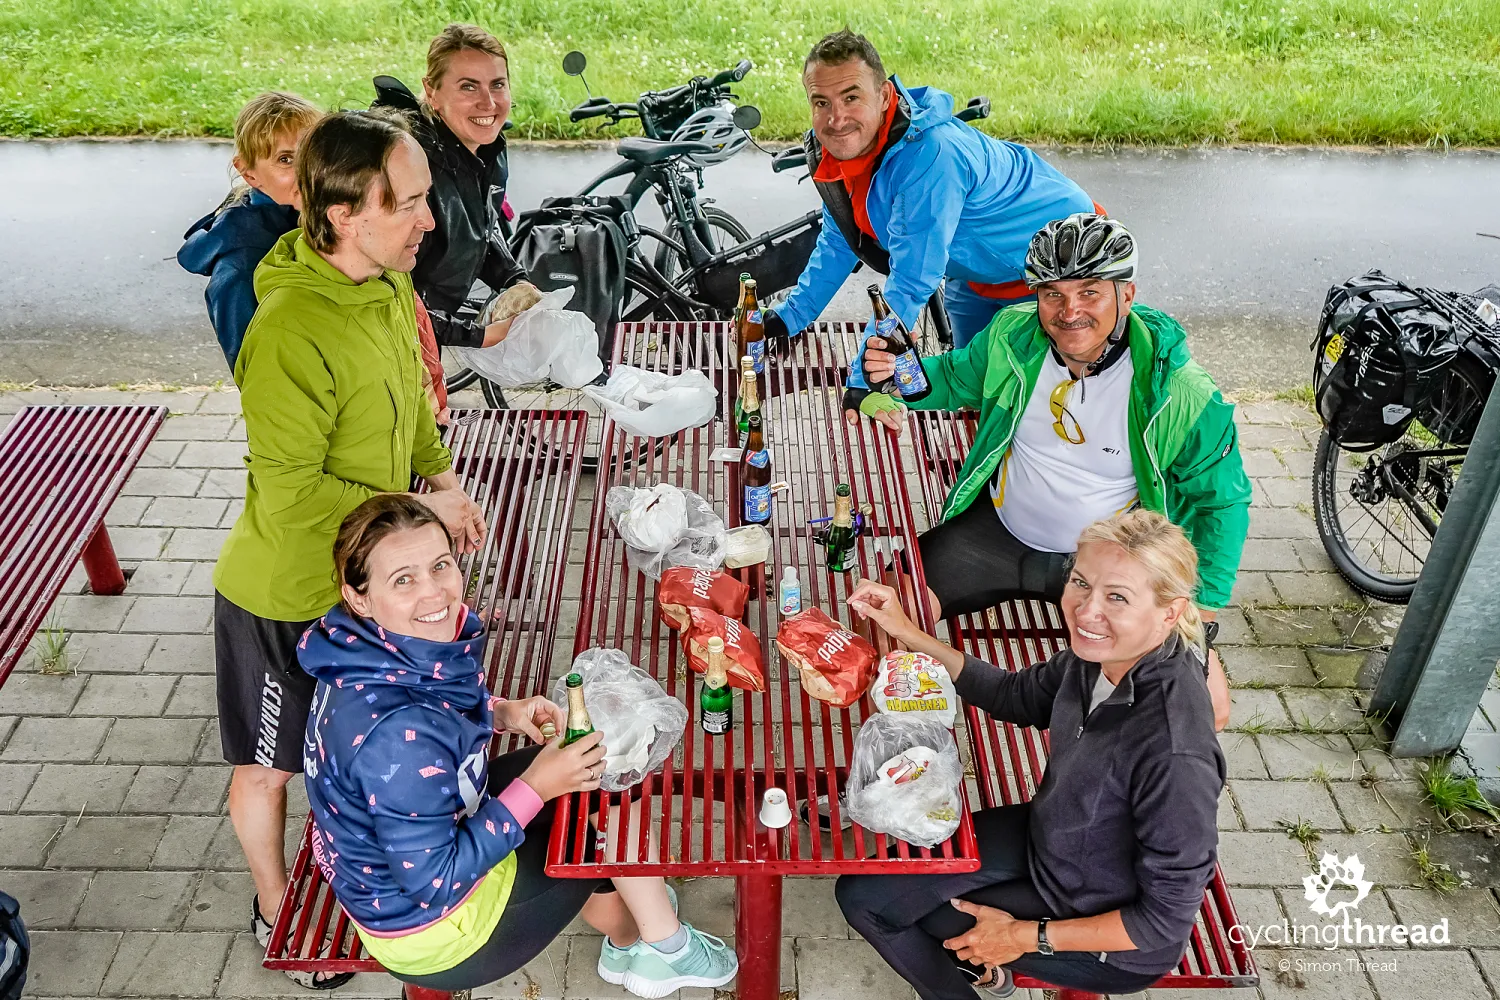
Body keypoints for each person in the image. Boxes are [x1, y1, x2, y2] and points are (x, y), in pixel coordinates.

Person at [212, 109, 488, 988]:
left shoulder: (388, 284)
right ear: (343, 214)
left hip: (363, 583)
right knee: (271, 768)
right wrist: (419, 512)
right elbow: (294, 492)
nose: (429, 220)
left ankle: (368, 870)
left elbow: (413, 400)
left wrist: (440, 479)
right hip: (286, 595)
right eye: (407, 203)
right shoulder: (288, 329)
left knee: (356, 752)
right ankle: (274, 909)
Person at [301, 494, 739, 996]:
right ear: (358, 596)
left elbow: (427, 706)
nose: (434, 593)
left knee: (595, 765)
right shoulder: (397, 740)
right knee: (592, 819)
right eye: (403, 579)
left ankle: (637, 934)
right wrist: (535, 787)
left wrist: (501, 711)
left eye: (440, 565)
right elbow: (434, 882)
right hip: (441, 931)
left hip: (423, 839)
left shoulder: (362, 647)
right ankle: (660, 944)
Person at [863, 212, 1245, 729]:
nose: (1070, 312)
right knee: (880, 616)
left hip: (1106, 558)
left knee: (1205, 711)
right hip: (998, 532)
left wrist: (1206, 610)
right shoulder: (1013, 336)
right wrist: (899, 379)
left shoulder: (1182, 393)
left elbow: (1221, 503)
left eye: (1090, 293)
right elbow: (955, 377)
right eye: (1053, 294)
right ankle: (907, 746)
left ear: (1127, 295)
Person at [837, 510, 1226, 999]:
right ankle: (985, 970)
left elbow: (1162, 921)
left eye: (1117, 597)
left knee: (902, 912)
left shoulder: (1175, 752)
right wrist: (909, 632)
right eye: (1080, 582)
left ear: (1170, 612)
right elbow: (1015, 695)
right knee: (863, 891)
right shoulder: (1103, 655)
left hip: (1103, 926)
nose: (1086, 611)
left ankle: (976, 976)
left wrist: (1024, 936)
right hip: (1055, 836)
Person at [759, 29, 1096, 414]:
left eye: (851, 97)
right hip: (978, 274)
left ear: (884, 96)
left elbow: (913, 277)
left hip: (1061, 269)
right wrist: (789, 317)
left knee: (1042, 408)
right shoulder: (839, 151)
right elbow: (840, 241)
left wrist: (864, 379)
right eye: (821, 102)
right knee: (977, 397)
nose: (836, 119)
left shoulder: (930, 155)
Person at [372, 22, 540, 351]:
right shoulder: (409, 163)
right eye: (468, 87)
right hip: (389, 345)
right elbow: (385, 295)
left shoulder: (487, 150)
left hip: (426, 338)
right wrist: (475, 335)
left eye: (498, 85)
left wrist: (513, 279)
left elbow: (476, 227)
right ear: (431, 91)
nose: (488, 103)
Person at [177, 91, 322, 371]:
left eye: (314, 151)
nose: (308, 170)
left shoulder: (310, 212)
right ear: (249, 173)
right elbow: (255, 369)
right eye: (285, 159)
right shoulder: (242, 266)